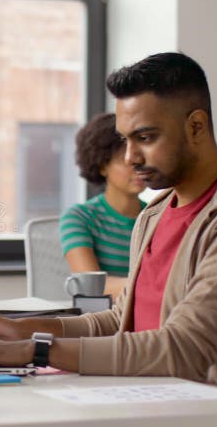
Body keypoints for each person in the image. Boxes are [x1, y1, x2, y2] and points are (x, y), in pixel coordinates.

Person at [0, 52, 217, 396]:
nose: (130, 157)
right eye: (126, 140)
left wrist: (35, 351)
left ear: (196, 126)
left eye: (146, 137)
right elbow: (118, 320)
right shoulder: (155, 213)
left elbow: (182, 348)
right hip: (154, 399)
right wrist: (23, 330)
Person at [61, 113, 147, 297]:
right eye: (126, 161)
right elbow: (90, 285)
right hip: (102, 320)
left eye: (141, 158)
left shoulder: (158, 216)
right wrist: (156, 288)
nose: (139, 167)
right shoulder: (79, 218)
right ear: (102, 166)